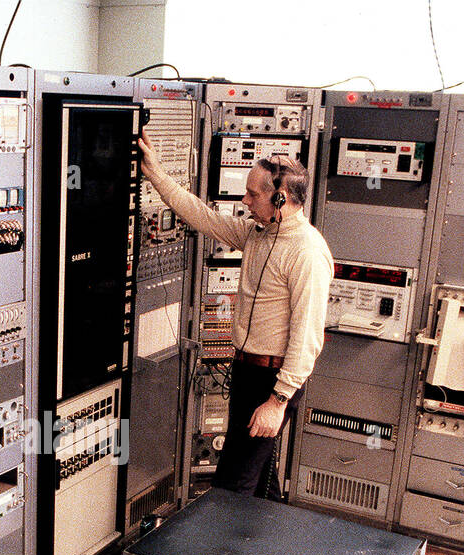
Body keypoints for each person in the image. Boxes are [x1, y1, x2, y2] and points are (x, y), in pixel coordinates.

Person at [138, 132, 332, 495]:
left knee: (233, 484)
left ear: (280, 198)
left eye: (253, 194)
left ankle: (220, 551)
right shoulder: (259, 234)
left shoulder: (306, 253)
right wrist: (157, 175)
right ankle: (266, 548)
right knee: (259, 478)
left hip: (272, 381)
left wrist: (277, 402)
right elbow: (204, 217)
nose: (245, 201)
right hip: (247, 371)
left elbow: (308, 338)